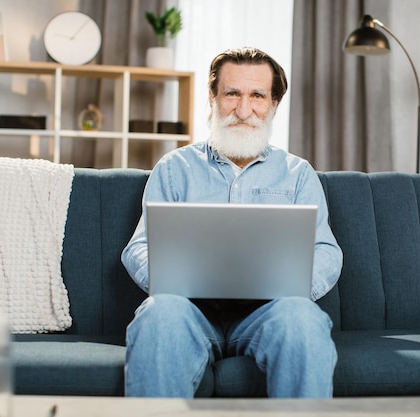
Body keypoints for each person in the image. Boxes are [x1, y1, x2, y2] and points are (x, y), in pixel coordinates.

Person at [121, 46, 343, 398]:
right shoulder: (174, 168)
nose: (243, 110)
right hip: (188, 311)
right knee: (158, 314)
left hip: (268, 315)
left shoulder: (298, 175)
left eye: (257, 95)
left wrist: (296, 289)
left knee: (302, 318)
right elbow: (139, 246)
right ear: (212, 98)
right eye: (231, 94)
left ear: (273, 104)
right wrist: (168, 281)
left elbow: (326, 251)